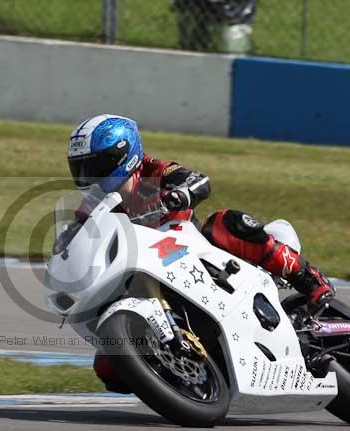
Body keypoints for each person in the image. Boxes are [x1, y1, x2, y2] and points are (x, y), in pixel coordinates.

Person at [68, 114, 334, 391]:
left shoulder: (155, 171)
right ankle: (185, 373)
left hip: (192, 250)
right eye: (82, 169)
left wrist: (181, 194)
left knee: (226, 223)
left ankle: (310, 279)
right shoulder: (94, 206)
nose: (90, 177)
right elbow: (78, 235)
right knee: (109, 365)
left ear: (124, 156)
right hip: (147, 273)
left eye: (95, 166)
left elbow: (198, 181)